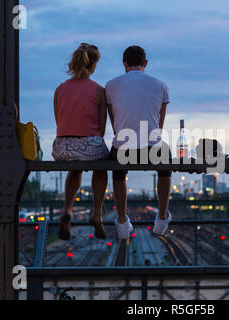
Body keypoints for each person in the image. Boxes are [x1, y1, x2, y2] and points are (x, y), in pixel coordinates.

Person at [105, 45, 172, 239]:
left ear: (124, 64)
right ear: (146, 63)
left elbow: (115, 124)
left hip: (123, 148)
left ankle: (122, 221)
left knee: (117, 170)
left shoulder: (111, 85)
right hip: (152, 147)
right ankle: (161, 217)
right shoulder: (161, 86)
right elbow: (159, 126)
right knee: (165, 161)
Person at [52, 43, 109, 240]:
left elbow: (59, 121)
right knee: (101, 165)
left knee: (74, 168)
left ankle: (67, 209)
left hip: (63, 147)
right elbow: (101, 129)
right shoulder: (99, 90)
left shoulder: (60, 89)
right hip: (89, 146)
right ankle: (97, 213)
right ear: (93, 64)